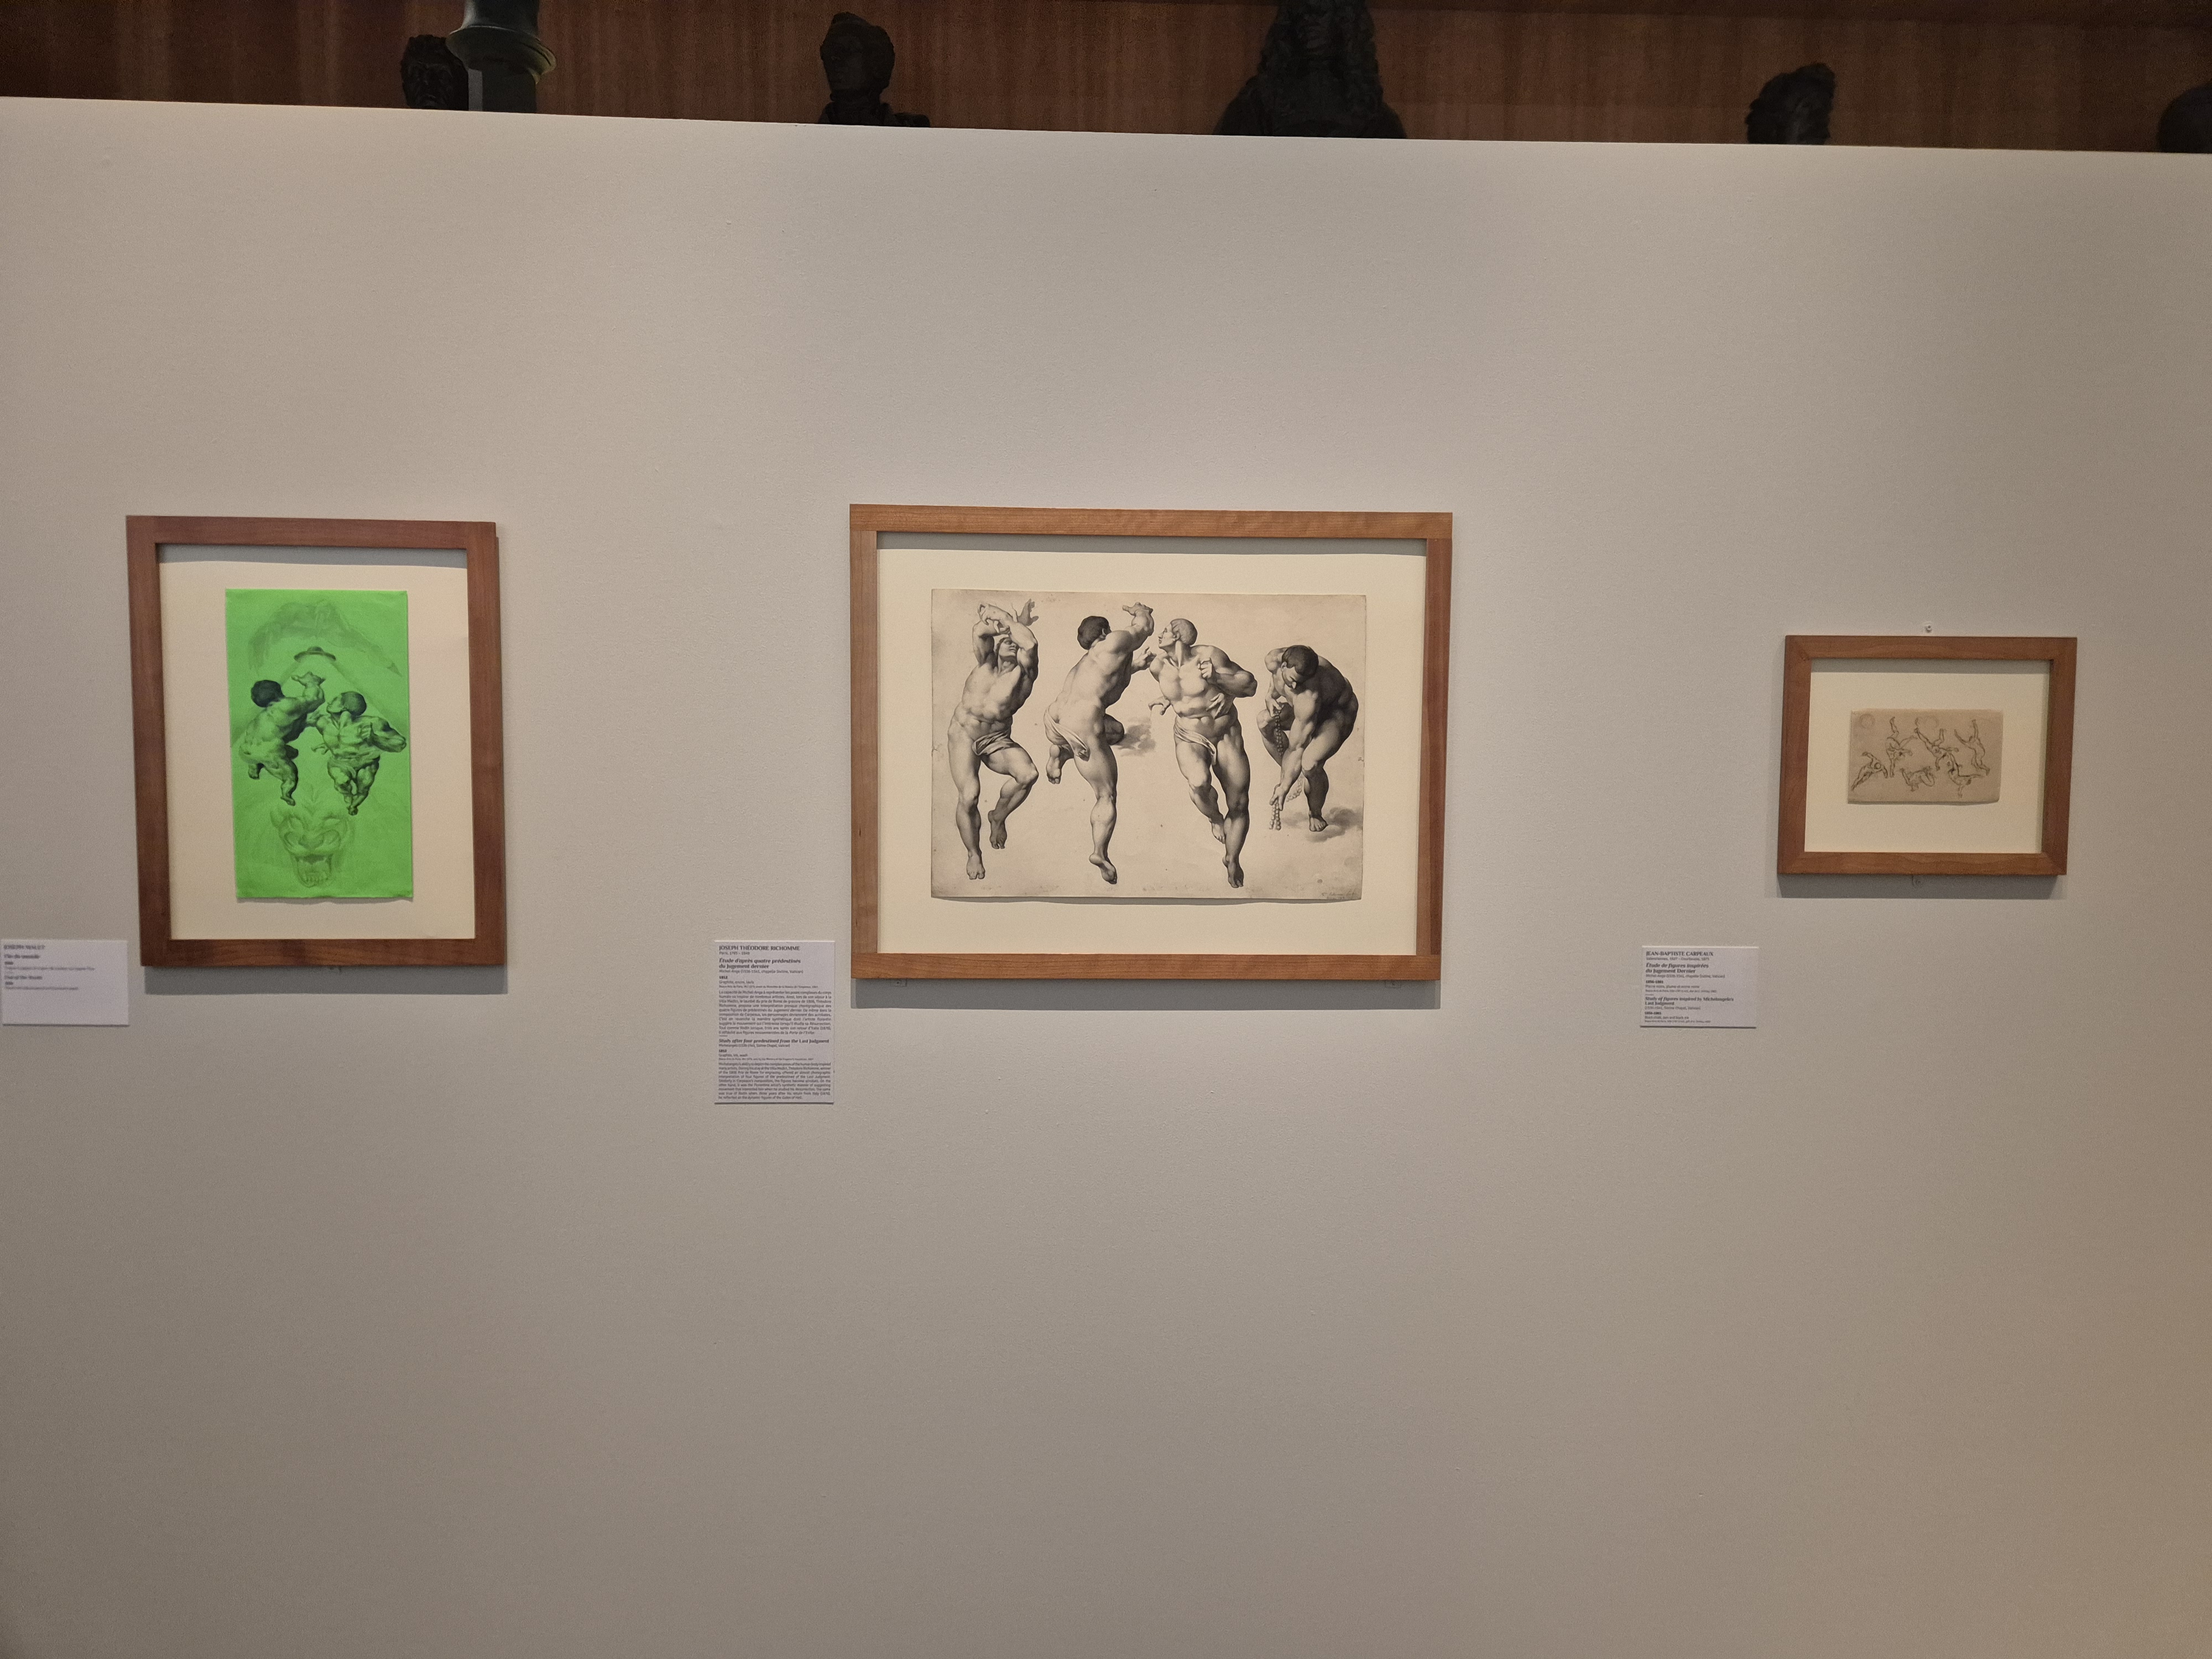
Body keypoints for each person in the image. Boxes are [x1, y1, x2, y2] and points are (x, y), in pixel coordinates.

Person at [1040, 602, 1153, 885]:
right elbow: (1144, 628)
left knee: (1116, 732)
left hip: (1056, 720)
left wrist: (1136, 666)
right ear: (1104, 631)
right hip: (1082, 726)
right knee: (1106, 795)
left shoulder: (1086, 663)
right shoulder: (1112, 642)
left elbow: (1108, 679)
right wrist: (1141, 610)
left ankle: (1060, 752)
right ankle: (1099, 853)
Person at [1146, 618, 1259, 889]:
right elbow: (1180, 693)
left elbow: (1250, 685)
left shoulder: (1210, 656)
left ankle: (1232, 858)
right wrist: (1167, 700)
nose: (1160, 635)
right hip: (1189, 736)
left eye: (1165, 631)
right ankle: (1215, 818)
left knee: (1239, 803)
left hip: (1226, 733)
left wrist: (1220, 681)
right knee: (1198, 783)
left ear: (1179, 637)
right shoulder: (1157, 666)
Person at [947, 601, 1040, 880]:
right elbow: (979, 629)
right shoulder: (984, 662)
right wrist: (1005, 623)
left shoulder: (1024, 675)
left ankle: (998, 816)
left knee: (1028, 775)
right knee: (969, 796)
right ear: (997, 646)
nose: (1012, 643)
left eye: (1015, 642)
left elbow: (1030, 644)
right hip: (963, 734)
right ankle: (974, 853)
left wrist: (1006, 618)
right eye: (1006, 641)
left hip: (996, 739)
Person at [1260, 645, 1358, 832]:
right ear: (1283, 666)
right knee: (1264, 722)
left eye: (1301, 682)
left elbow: (1297, 747)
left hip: (1336, 713)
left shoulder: (1308, 696)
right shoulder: (1273, 659)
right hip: (1305, 712)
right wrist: (1270, 696)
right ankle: (1292, 771)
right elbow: (1275, 680)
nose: (1294, 687)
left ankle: (1315, 813)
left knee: (1310, 764)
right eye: (1292, 680)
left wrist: (1284, 786)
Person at [235, 667, 326, 806]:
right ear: (278, 691)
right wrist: (311, 683)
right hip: (268, 752)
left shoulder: (263, 717)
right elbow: (314, 700)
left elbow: (287, 731)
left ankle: (254, 767)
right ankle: (286, 794)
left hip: (246, 752)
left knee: (293, 752)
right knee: (291, 776)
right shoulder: (285, 706)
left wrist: (306, 723)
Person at [314, 691, 408, 815]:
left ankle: (354, 805)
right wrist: (328, 744)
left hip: (365, 764)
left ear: (344, 707)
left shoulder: (372, 723)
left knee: (364, 786)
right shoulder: (323, 723)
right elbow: (340, 740)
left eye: (336, 699)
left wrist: (375, 738)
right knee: (341, 782)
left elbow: (400, 744)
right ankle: (348, 796)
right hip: (340, 763)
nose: (331, 701)